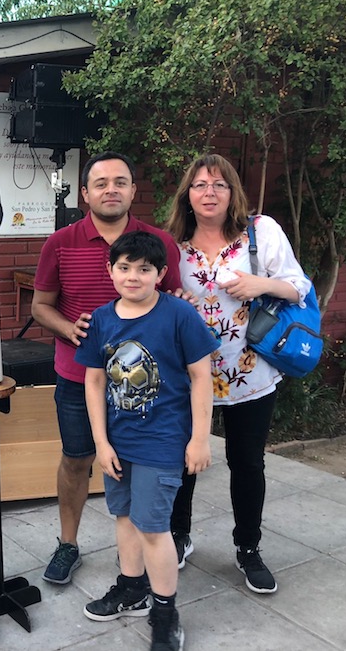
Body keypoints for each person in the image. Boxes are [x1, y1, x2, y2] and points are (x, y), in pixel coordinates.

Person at [31, 151, 182, 584]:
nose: (110, 190)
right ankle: (68, 544)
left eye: (120, 182)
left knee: (144, 464)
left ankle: (136, 552)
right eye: (100, 183)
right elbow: (40, 306)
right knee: (76, 459)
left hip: (144, 384)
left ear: (133, 190)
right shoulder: (60, 243)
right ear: (85, 193)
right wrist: (67, 327)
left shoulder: (159, 243)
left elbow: (172, 301)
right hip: (79, 378)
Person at [164, 153, 311, 594]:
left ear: (232, 192)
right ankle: (177, 534)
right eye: (200, 185)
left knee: (247, 462)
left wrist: (260, 284)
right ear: (187, 194)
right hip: (189, 375)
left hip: (251, 373)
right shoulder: (171, 244)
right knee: (182, 460)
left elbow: (299, 287)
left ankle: (248, 547)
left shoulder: (260, 232)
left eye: (219, 184)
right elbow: (153, 294)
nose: (209, 192)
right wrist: (173, 300)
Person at [76, 231, 218, 651]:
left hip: (163, 441)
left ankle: (165, 612)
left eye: (144, 269)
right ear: (110, 270)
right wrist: (101, 443)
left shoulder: (179, 315)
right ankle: (131, 587)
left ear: (160, 273)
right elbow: (94, 382)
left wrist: (200, 439)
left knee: (154, 528)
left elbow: (201, 377)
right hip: (119, 442)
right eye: (124, 267)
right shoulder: (101, 319)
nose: (133, 276)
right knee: (124, 517)